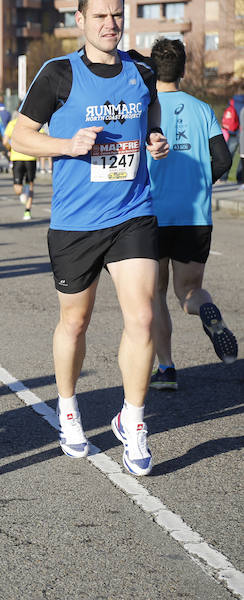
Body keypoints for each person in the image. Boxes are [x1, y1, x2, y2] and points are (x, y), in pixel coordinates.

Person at [10, 0, 169, 476]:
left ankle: (134, 420)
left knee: (142, 316)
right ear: (79, 22)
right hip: (76, 223)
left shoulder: (141, 69)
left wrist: (155, 138)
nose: (109, 23)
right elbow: (19, 137)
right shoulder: (57, 74)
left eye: (116, 14)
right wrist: (66, 145)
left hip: (132, 213)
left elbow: (151, 113)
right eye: (99, 15)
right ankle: (68, 407)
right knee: (75, 323)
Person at [144, 38, 236, 391]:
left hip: (150, 215)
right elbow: (224, 160)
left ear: (153, 70)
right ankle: (207, 312)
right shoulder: (202, 110)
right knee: (189, 293)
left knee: (156, 295)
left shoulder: (146, 110)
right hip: (194, 216)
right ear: (183, 70)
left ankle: (166, 369)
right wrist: (200, 184)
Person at [3, 112, 38, 220]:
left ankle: (27, 210)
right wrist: (10, 148)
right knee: (17, 189)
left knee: (31, 184)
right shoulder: (12, 124)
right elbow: (5, 141)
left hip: (30, 158)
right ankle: (23, 192)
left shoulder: (34, 124)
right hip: (17, 158)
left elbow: (42, 136)